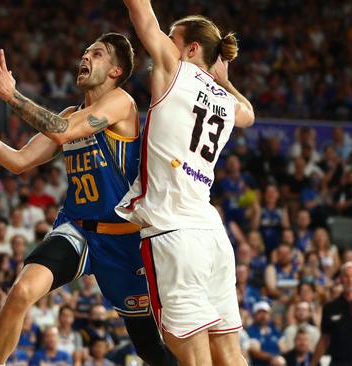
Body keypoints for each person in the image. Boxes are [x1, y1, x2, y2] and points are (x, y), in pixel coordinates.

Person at [0, 32, 174, 366]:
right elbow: (17, 161)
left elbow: (62, 130)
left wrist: (11, 95)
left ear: (116, 71)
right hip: (77, 229)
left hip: (123, 241)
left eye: (98, 53)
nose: (86, 57)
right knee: (20, 292)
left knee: (150, 350)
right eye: (86, 51)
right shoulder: (70, 113)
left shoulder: (122, 103)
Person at [115, 2, 254, 365]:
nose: (164, 43)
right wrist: (223, 80)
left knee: (193, 358)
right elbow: (250, 115)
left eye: (172, 38)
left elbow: (140, 12)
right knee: (230, 354)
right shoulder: (226, 102)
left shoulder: (173, 69)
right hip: (212, 235)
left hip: (173, 234)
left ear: (191, 49)